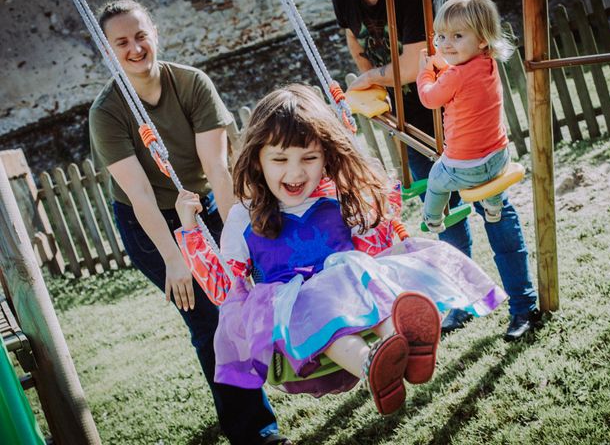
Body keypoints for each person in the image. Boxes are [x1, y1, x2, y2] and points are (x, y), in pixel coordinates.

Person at [173, 84, 507, 416]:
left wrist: (377, 205)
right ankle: (372, 365)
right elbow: (223, 289)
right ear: (257, 161)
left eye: (309, 157)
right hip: (298, 319)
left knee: (361, 266)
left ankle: (405, 344)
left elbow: (372, 254)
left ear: (327, 156)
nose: (295, 172)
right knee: (322, 306)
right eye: (279, 159)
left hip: (352, 299)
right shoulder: (243, 217)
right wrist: (191, 233)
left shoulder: (338, 197)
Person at [88, 0, 289, 445]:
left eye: (140, 35)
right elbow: (140, 195)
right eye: (121, 42)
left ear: (154, 32)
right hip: (151, 224)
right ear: (108, 51)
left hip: (205, 205)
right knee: (210, 318)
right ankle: (255, 432)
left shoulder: (192, 83)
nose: (135, 48)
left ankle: (277, 377)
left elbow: (217, 169)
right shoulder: (106, 114)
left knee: (241, 296)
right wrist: (176, 260)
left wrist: (238, 236)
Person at [332, 0, 540, 341]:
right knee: (446, 216)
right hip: (408, 122)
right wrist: (383, 88)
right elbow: (356, 45)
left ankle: (523, 305)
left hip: (455, 123)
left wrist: (378, 76)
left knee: (493, 210)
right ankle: (462, 302)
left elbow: (414, 66)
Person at [417, 0, 514, 232]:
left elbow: (429, 98)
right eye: (440, 37)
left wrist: (425, 73)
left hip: (464, 168)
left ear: (482, 39)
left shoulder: (455, 75)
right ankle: (494, 207)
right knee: (491, 180)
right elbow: (460, 69)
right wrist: (447, 58)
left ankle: (433, 219)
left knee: (436, 180)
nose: (446, 44)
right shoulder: (488, 62)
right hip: (499, 157)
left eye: (457, 36)